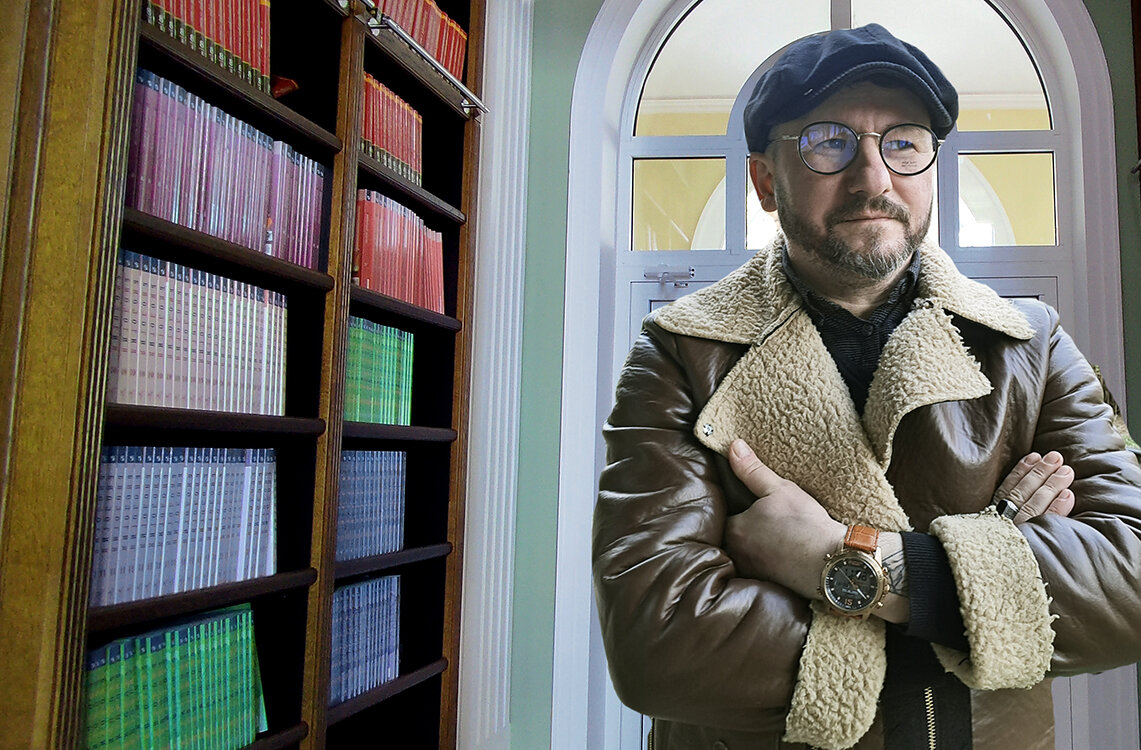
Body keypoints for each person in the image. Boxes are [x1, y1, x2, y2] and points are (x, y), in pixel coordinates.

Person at [592, 23, 1141, 750]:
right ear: (765, 181)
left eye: (903, 143)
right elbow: (656, 641)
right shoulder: (680, 352)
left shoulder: (1029, 343)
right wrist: (982, 575)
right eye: (829, 142)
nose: (874, 179)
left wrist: (847, 561)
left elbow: (1131, 582)